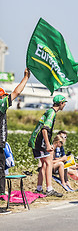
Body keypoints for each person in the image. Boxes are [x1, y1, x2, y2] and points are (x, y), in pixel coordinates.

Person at [28, 95, 67, 197]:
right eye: (64, 103)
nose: (65, 105)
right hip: (40, 142)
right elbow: (45, 129)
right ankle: (49, 189)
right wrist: (48, 144)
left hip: (37, 141)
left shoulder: (50, 111)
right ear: (61, 103)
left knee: (44, 165)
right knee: (49, 162)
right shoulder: (52, 113)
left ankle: (39, 188)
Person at [0, 68, 30, 198]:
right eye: (4, 96)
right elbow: (17, 92)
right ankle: (1, 194)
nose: (5, 97)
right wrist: (26, 78)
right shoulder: (1, 103)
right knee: (1, 169)